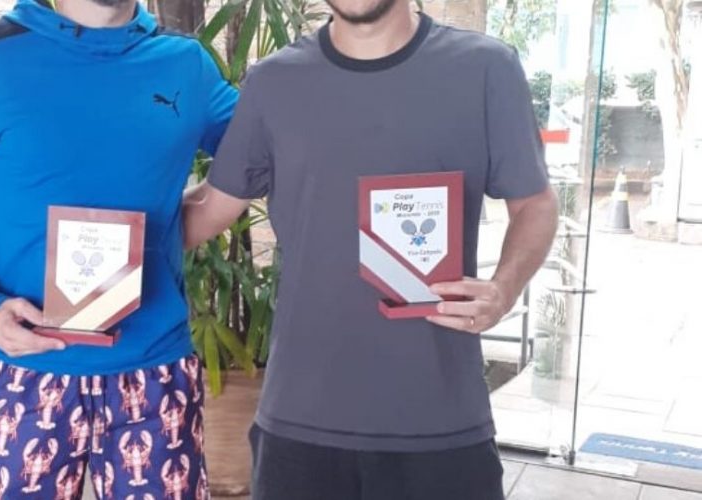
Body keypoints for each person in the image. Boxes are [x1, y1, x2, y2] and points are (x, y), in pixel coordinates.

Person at [182, 0, 559, 498]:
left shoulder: (486, 68)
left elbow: (535, 203)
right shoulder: (273, 82)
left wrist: (504, 289)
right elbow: (209, 208)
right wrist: (100, 239)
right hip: (300, 423)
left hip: (440, 421)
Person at [0, 0, 237, 497]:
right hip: (26, 374)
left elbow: (264, 152)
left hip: (155, 372)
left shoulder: (185, 64)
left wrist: (173, 232)